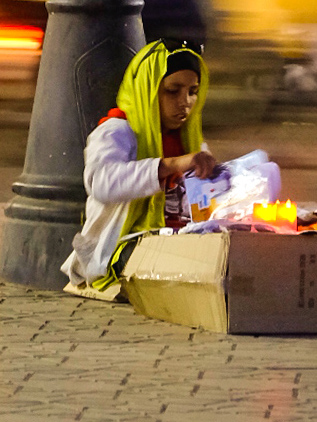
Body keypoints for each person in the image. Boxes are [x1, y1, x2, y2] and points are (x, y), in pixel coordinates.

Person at [62, 39, 218, 299]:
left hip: (178, 241)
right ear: (148, 88)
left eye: (193, 91)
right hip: (119, 246)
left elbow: (203, 202)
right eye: (172, 91)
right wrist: (168, 165)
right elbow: (101, 183)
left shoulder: (190, 140)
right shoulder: (117, 131)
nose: (186, 102)